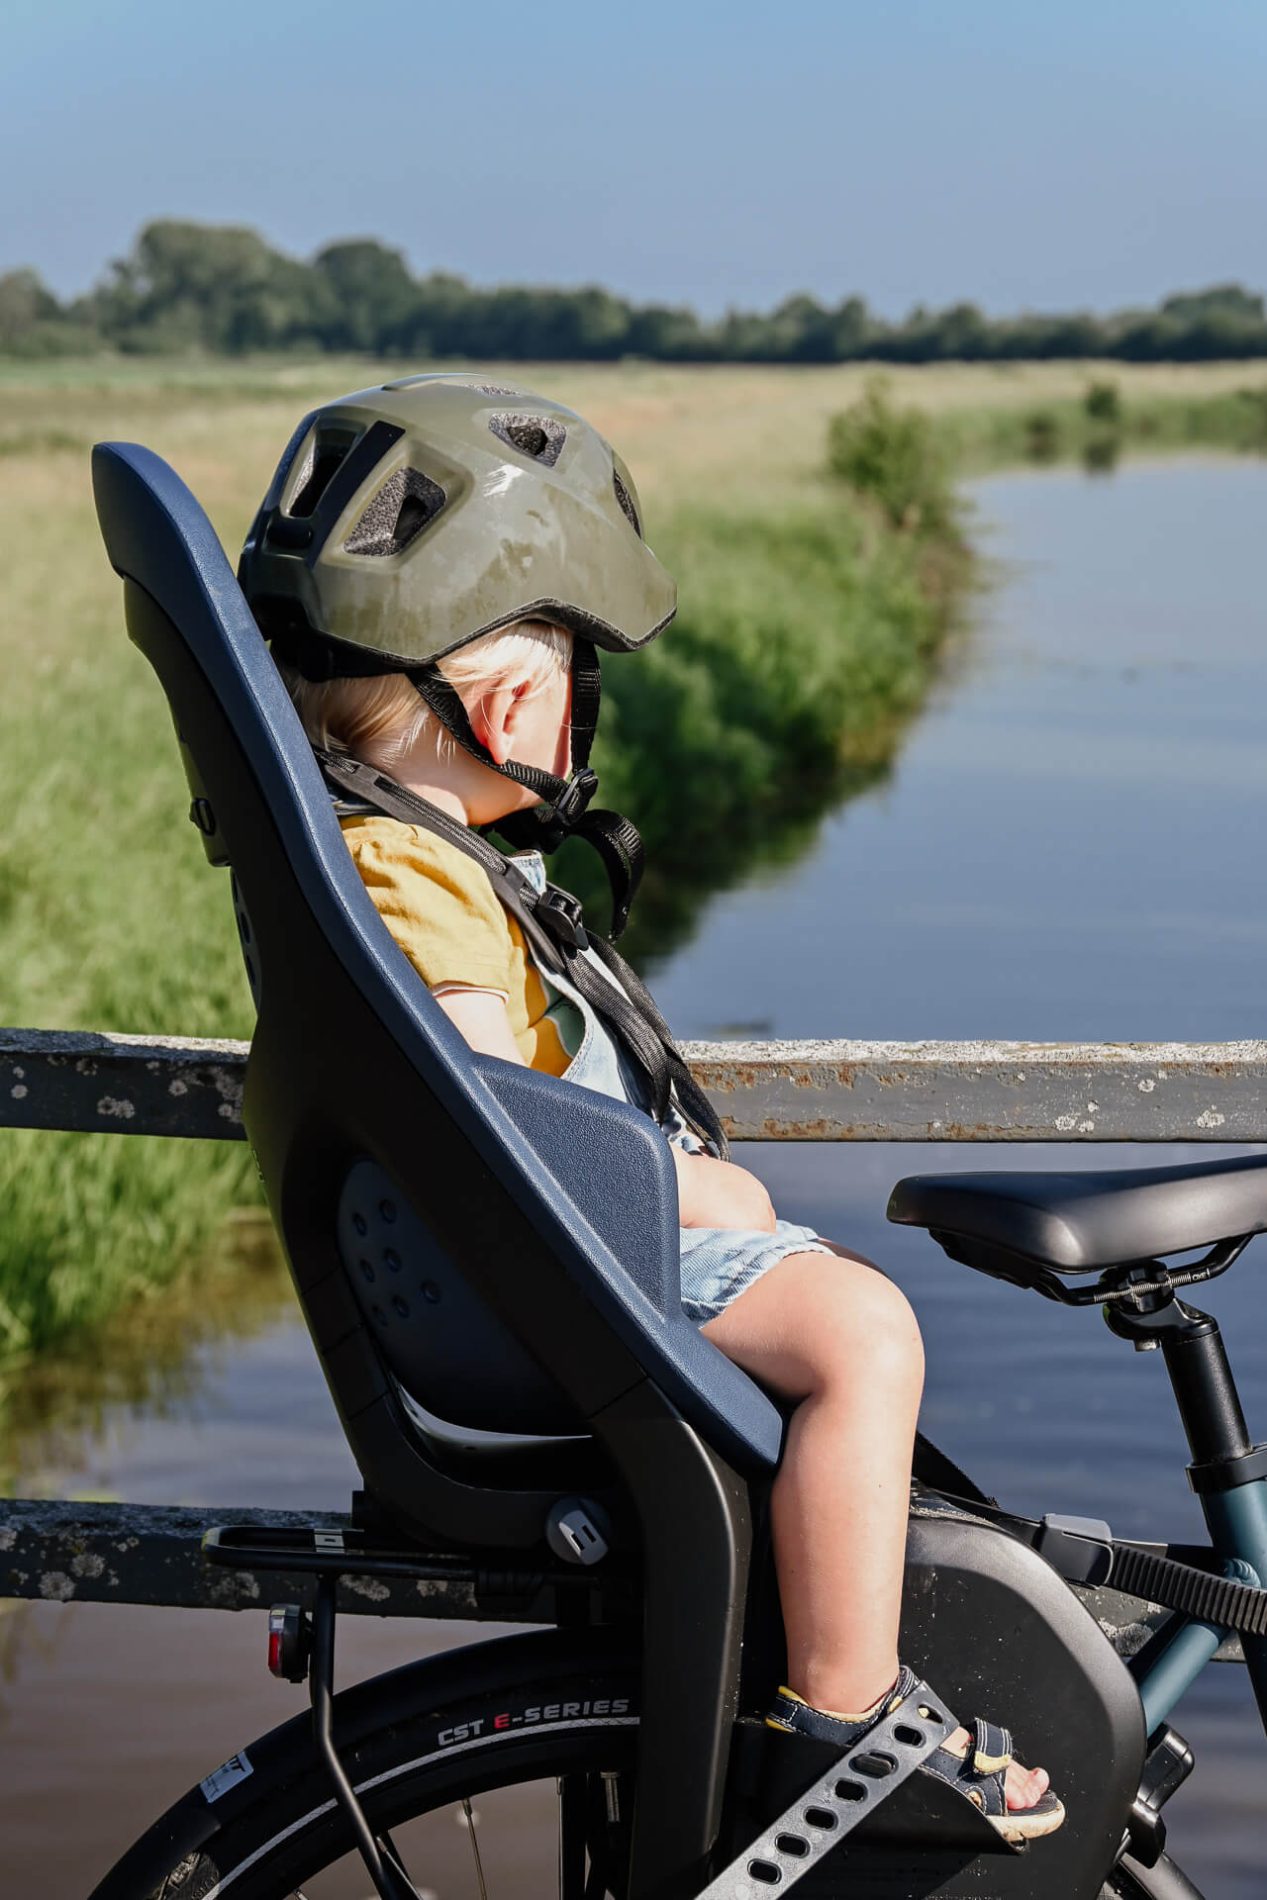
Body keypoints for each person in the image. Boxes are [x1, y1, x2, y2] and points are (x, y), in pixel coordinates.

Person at [243, 374, 1063, 1844]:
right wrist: (702, 1195)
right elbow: (489, 1133)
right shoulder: (411, 878)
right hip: (570, 1277)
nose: (582, 700)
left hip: (564, 1271)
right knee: (862, 1334)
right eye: (571, 665)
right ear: (503, 701)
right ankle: (845, 1725)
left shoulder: (405, 853)